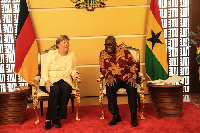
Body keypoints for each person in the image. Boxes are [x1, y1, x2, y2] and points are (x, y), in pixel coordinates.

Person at [40, 35, 80, 130]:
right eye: (64, 42)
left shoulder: (72, 54)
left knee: (67, 89)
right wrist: (47, 81)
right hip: (51, 78)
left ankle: (57, 118)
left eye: (67, 42)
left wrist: (75, 74)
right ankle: (48, 119)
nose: (67, 44)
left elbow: (73, 69)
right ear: (58, 44)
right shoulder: (52, 53)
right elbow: (44, 70)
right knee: (55, 90)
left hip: (65, 78)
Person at [99, 36, 138, 127]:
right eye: (106, 45)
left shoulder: (124, 51)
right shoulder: (102, 53)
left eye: (110, 45)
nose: (108, 47)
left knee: (132, 87)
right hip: (114, 78)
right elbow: (102, 68)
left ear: (115, 45)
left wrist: (133, 76)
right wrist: (108, 75)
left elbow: (133, 64)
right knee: (109, 88)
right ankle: (115, 115)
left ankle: (133, 116)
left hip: (126, 76)